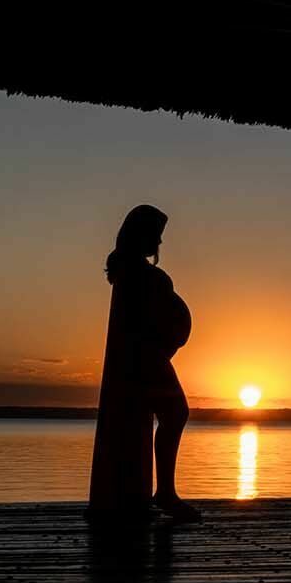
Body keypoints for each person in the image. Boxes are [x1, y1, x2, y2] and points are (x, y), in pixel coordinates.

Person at [87, 204, 200, 523]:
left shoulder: (133, 272)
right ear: (139, 234)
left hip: (148, 357)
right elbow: (144, 320)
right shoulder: (137, 274)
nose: (159, 242)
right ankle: (164, 492)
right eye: (156, 235)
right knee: (176, 413)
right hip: (145, 360)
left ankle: (137, 493)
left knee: (158, 418)